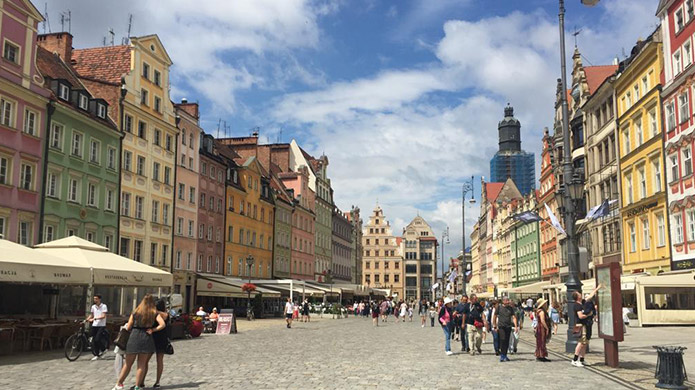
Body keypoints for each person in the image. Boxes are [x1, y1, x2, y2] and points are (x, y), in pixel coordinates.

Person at [113, 294, 166, 390]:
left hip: (134, 336)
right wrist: (153, 329)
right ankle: (137, 386)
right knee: (141, 364)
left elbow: (129, 326)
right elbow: (162, 324)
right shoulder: (154, 313)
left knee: (128, 364)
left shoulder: (136, 312)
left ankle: (119, 383)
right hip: (146, 337)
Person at [571, 285, 602, 367]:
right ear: (577, 297)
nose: (581, 294)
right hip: (581, 325)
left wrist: (597, 289)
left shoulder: (583, 302)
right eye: (579, 294)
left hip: (585, 325)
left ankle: (581, 359)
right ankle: (574, 359)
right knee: (581, 342)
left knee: (585, 343)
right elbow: (580, 316)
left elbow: (590, 296)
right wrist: (589, 314)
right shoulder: (577, 305)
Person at [151, 299, 171, 388]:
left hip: (153, 337)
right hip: (162, 338)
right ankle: (157, 381)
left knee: (145, 360)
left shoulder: (155, 314)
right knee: (160, 361)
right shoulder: (166, 315)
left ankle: (141, 380)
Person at [492, 296, 518, 362]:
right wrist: (494, 325)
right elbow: (494, 316)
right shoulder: (499, 308)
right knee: (502, 340)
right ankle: (502, 355)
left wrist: (516, 326)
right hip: (501, 326)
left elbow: (514, 317)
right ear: (503, 301)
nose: (508, 301)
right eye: (506, 300)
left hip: (508, 326)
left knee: (507, 341)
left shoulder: (510, 308)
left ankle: (505, 355)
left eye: (508, 300)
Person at [88, 294, 108, 361]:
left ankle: (103, 349)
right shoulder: (93, 306)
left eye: (96, 299)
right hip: (94, 325)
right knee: (94, 340)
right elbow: (91, 315)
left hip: (101, 325)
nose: (95, 300)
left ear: (99, 299)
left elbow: (103, 316)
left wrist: (95, 318)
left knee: (97, 339)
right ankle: (97, 354)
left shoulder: (104, 306)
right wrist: (86, 319)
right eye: (94, 299)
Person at [534, 298, 551, 362]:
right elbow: (542, 320)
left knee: (540, 341)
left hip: (539, 327)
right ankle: (541, 355)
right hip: (541, 328)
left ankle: (540, 355)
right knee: (542, 341)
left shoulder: (538, 311)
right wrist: (547, 328)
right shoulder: (542, 312)